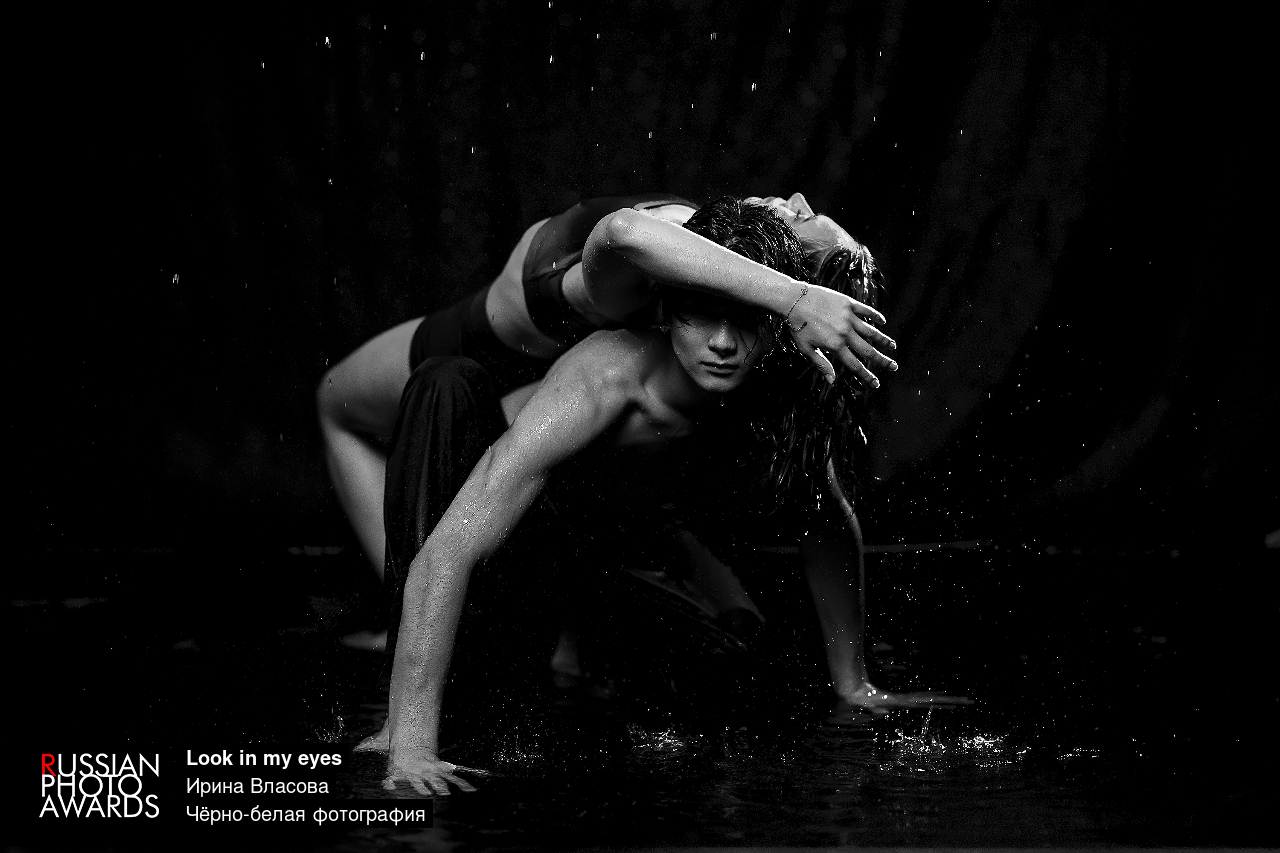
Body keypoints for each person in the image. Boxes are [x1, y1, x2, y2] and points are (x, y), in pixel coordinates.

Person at [359, 198, 964, 797]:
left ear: (777, 328)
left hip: (600, 550)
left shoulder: (776, 395)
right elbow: (451, 548)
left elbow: (825, 519)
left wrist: (853, 682)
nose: (722, 344)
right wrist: (411, 744)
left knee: (732, 676)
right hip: (501, 544)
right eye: (701, 317)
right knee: (445, 384)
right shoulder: (610, 373)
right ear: (668, 311)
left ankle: (575, 651)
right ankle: (411, 707)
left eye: (746, 322)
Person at [317, 193, 899, 584]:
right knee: (339, 404)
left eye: (803, 220)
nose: (796, 200)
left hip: (547, 367)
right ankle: (403, 602)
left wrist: (855, 683)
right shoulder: (690, 241)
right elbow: (624, 231)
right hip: (491, 340)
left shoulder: (730, 298)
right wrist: (798, 298)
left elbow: (820, 502)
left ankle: (453, 612)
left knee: (530, 476)